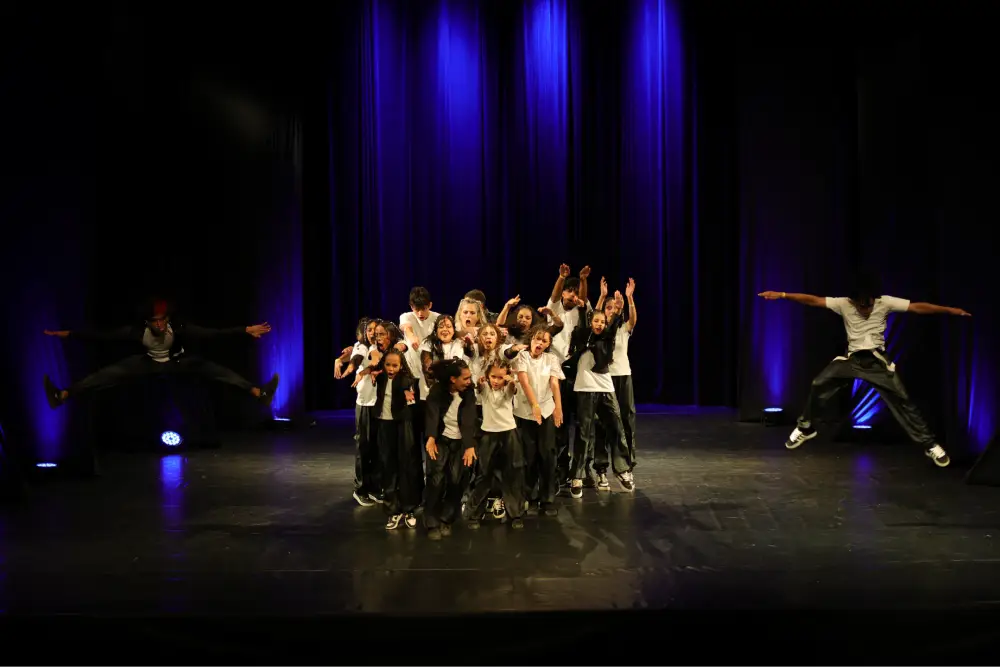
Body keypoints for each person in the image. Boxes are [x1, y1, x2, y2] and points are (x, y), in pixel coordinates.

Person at [758, 273, 971, 467]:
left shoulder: (885, 302)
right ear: (853, 300)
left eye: (869, 305)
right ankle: (806, 428)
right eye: (861, 306)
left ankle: (929, 444)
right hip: (851, 361)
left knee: (904, 401)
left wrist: (951, 311)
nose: (866, 310)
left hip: (877, 363)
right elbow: (813, 300)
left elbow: (917, 307)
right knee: (818, 383)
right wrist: (783, 295)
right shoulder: (843, 303)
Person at [41, 298, 278, 408]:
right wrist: (69, 334)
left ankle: (259, 393)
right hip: (148, 363)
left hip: (176, 361)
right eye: (155, 321)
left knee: (214, 369)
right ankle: (62, 395)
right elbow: (101, 336)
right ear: (147, 322)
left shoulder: (179, 328)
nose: (160, 325)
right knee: (106, 374)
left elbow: (212, 334)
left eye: (163, 320)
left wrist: (244, 330)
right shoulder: (136, 332)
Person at [423, 359, 477, 540]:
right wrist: (431, 438)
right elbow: (432, 415)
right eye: (465, 378)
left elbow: (469, 419)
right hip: (441, 439)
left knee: (456, 480)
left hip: (460, 441)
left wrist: (469, 445)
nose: (469, 381)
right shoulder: (437, 391)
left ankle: (447, 519)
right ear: (453, 379)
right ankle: (432, 522)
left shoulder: (469, 393)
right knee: (436, 481)